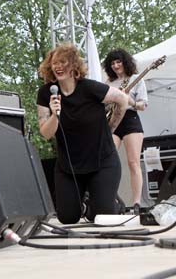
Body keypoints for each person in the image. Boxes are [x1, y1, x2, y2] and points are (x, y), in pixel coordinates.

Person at [36, 43, 128, 224]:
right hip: (69, 166)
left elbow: (122, 99)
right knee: (67, 218)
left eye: (63, 62)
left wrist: (112, 127)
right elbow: (46, 133)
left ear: (73, 65)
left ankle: (111, 203)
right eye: (55, 63)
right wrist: (55, 114)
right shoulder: (46, 93)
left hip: (102, 161)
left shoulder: (90, 88)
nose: (58, 66)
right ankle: (85, 205)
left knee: (103, 217)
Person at [103, 48, 148, 215]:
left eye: (118, 62)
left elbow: (143, 105)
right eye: (112, 63)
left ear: (125, 62)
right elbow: (104, 104)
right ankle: (111, 198)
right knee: (108, 161)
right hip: (113, 121)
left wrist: (131, 101)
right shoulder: (109, 83)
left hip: (130, 120)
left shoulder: (136, 79)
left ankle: (136, 203)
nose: (115, 66)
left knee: (133, 162)